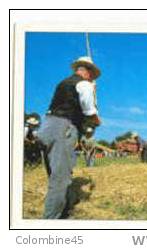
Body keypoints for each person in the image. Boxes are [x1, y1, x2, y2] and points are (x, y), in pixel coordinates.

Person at [37, 56, 101, 219]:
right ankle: (51, 222)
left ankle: (64, 208)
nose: (93, 79)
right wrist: (96, 120)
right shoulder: (84, 84)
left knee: (54, 175)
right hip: (63, 128)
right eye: (93, 76)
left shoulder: (64, 83)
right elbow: (89, 111)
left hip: (47, 126)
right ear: (88, 72)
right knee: (60, 180)